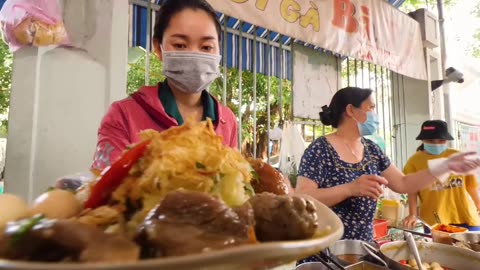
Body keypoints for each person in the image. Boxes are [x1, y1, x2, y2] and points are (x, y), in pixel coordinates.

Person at [294, 87, 480, 263]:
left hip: (362, 248)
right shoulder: (320, 149)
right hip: (325, 251)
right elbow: (302, 198)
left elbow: (403, 183)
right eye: (371, 107)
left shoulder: (372, 149)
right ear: (351, 110)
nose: (375, 114)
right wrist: (350, 188)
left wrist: (445, 166)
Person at [91, 0, 237, 171]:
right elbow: (105, 187)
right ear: (158, 48)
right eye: (180, 45)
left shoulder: (227, 120)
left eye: (206, 47)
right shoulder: (123, 115)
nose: (194, 55)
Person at [402, 120, 480, 231]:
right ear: (423, 140)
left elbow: (470, 185)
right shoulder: (414, 161)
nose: (436, 144)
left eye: (441, 140)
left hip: (466, 215)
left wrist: (478, 205)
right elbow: (412, 190)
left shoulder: (456, 156)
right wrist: (412, 214)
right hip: (435, 220)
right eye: (431, 140)